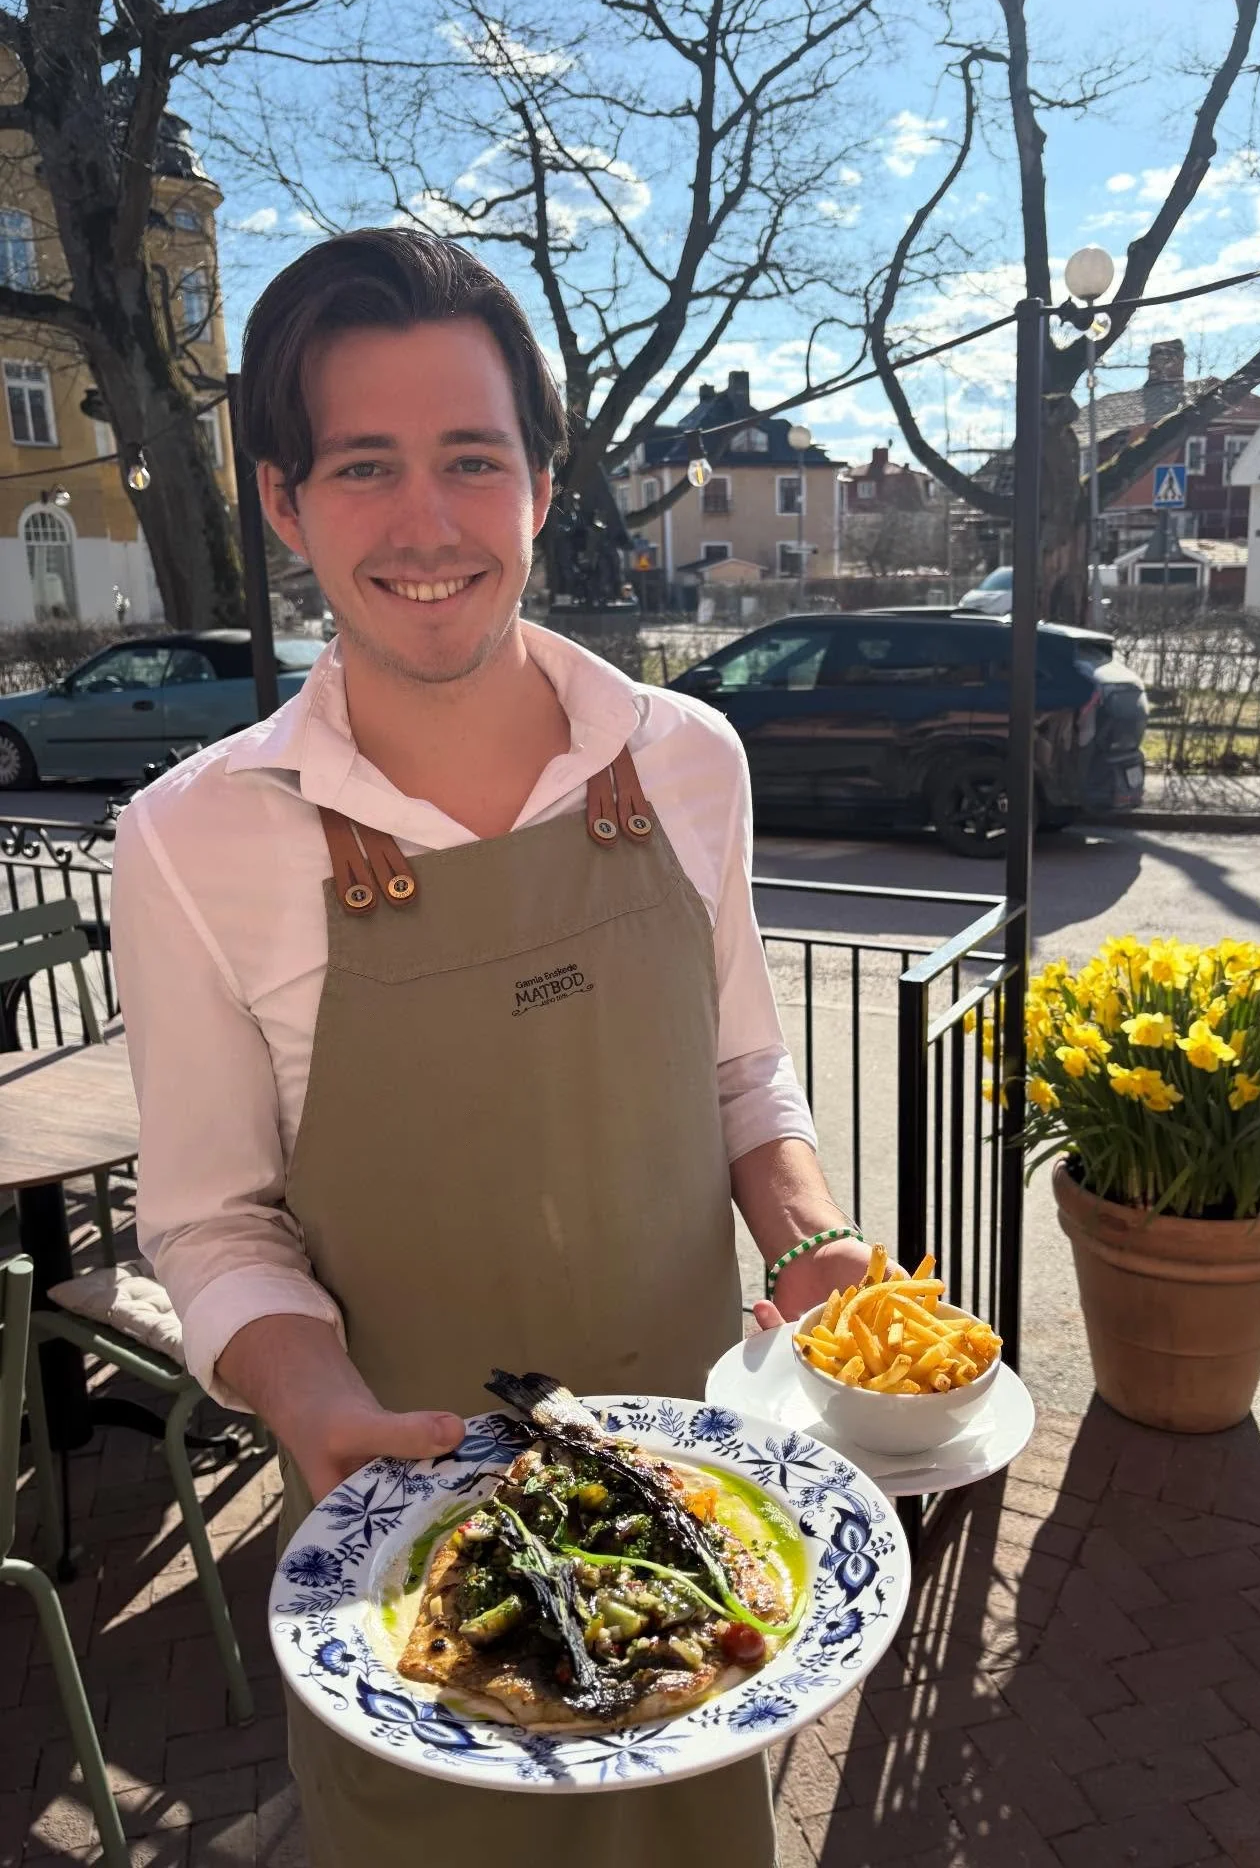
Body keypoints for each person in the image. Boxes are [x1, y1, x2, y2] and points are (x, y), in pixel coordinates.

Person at [111, 228, 873, 1868]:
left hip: (707, 1554)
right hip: (411, 1576)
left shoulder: (689, 760)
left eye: (473, 458)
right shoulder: (192, 840)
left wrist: (811, 1238)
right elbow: (210, 1218)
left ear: (542, 478)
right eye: (365, 467)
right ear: (283, 501)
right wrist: (307, 1403)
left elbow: (741, 1076)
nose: (429, 523)